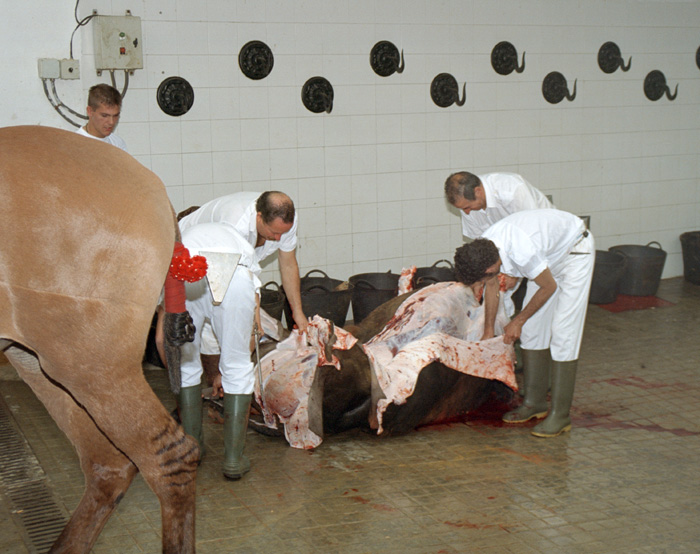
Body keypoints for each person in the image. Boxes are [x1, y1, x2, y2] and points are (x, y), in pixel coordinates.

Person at [453, 209, 594, 438]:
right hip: (547, 258)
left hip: (574, 252)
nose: (484, 282)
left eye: (483, 278)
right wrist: (488, 331)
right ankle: (535, 403)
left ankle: (560, 415)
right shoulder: (486, 249)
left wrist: (517, 320)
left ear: (490, 268)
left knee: (563, 331)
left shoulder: (520, 250)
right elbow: (492, 288)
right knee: (531, 330)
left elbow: (549, 287)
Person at [176, 222, 261, 480]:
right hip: (236, 274)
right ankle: (233, 461)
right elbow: (253, 319)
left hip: (187, 273)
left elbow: (163, 335)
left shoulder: (183, 234)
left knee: (186, 365)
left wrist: (173, 363)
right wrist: (233, 362)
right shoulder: (236, 237)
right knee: (236, 366)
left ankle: (193, 450)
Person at [180, 190, 307, 333]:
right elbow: (241, 279)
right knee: (209, 329)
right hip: (194, 254)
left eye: (282, 233)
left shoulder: (285, 221)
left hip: (228, 261)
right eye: (274, 232)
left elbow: (288, 265)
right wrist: (255, 321)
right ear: (259, 217)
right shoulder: (236, 225)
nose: (278, 238)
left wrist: (298, 312)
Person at [75, 83, 128, 152]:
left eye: (115, 115)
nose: (111, 122)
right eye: (105, 116)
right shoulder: (74, 144)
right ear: (90, 111)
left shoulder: (118, 144)